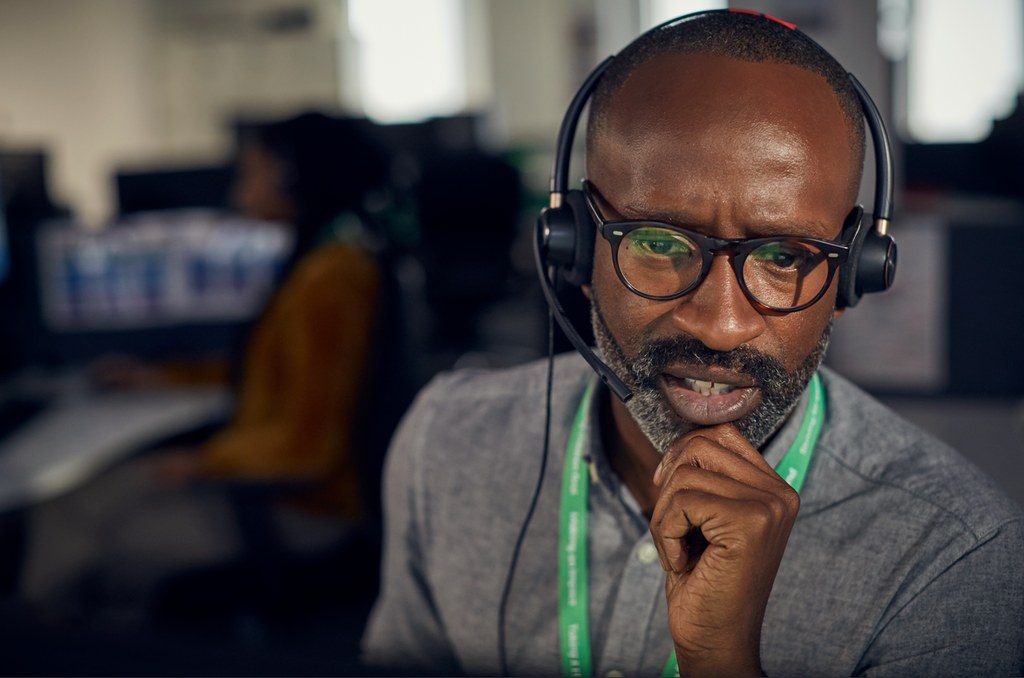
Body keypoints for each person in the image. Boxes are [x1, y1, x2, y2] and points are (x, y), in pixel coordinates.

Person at [360, 10, 1024, 677]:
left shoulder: (956, 555)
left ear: (853, 276)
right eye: (656, 243)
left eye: (786, 258)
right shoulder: (445, 443)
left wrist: (722, 662)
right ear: (576, 249)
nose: (720, 324)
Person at [21, 111, 397, 620]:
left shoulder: (330, 280)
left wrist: (203, 462)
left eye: (253, 170)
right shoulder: (324, 263)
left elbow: (308, 446)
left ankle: (46, 649)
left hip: (304, 512)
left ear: (293, 177)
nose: (241, 184)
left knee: (83, 530)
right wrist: (160, 378)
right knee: (78, 506)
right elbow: (270, 373)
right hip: (276, 490)